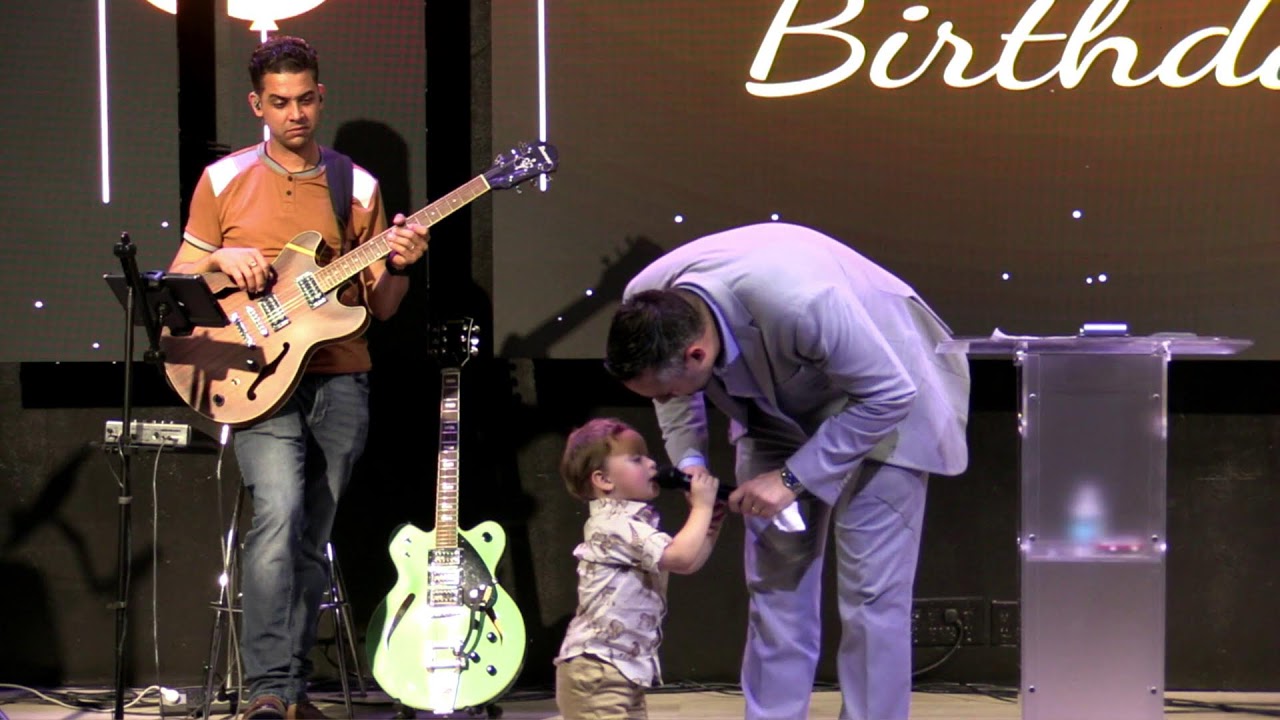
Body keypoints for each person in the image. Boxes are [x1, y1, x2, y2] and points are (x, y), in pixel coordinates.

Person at [604, 222, 970, 720]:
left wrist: (791, 480)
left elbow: (887, 393)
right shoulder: (649, 305)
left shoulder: (801, 301)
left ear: (697, 353)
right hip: (770, 407)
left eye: (668, 390)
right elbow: (671, 392)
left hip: (882, 406)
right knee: (776, 586)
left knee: (870, 598)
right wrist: (690, 462)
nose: (664, 401)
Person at [168, 36, 429, 720]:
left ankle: (288, 686)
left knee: (311, 535)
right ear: (258, 104)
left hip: (341, 377)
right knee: (278, 516)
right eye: (280, 102)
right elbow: (180, 282)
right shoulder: (223, 181)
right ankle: (268, 691)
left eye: (306, 98)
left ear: (321, 96)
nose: (296, 113)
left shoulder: (358, 186)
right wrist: (227, 256)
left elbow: (383, 306)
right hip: (254, 372)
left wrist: (398, 264)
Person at [554, 418, 725, 719]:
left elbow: (688, 563)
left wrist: (710, 526)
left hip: (622, 671)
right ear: (603, 480)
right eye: (636, 459)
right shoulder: (613, 524)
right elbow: (681, 557)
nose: (651, 464)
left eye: (647, 456)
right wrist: (701, 508)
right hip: (597, 673)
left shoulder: (636, 524)